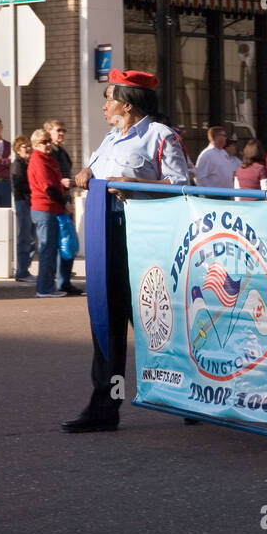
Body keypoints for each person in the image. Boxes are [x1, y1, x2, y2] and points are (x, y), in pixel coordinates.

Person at [62, 68, 191, 433]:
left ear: (128, 103)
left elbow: (181, 187)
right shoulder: (109, 139)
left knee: (158, 324)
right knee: (108, 321)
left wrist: (135, 185)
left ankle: (190, 396)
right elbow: (99, 171)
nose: (104, 105)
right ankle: (104, 406)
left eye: (109, 98)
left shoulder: (160, 136)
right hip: (106, 238)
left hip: (144, 240)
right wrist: (86, 173)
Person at [28, 128, 67, 298]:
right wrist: (65, 204)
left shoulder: (46, 159)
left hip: (49, 209)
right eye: (44, 142)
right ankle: (44, 288)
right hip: (45, 209)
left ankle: (48, 286)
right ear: (36, 144)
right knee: (47, 250)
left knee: (50, 249)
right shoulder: (38, 160)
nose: (48, 144)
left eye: (48, 141)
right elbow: (48, 188)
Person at [45, 119, 82, 295]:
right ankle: (60, 282)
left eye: (63, 131)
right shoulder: (48, 152)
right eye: (58, 130)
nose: (61, 134)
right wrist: (61, 182)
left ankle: (65, 281)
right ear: (49, 131)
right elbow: (45, 179)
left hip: (66, 198)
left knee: (69, 242)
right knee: (62, 243)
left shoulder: (62, 152)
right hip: (56, 202)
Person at [10, 136, 36, 283]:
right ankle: (21, 271)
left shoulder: (28, 163)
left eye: (28, 146)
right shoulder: (17, 164)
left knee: (31, 237)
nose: (28, 149)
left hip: (30, 202)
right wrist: (34, 188)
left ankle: (25, 269)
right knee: (24, 237)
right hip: (23, 202)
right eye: (24, 147)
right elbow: (20, 185)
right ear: (18, 150)